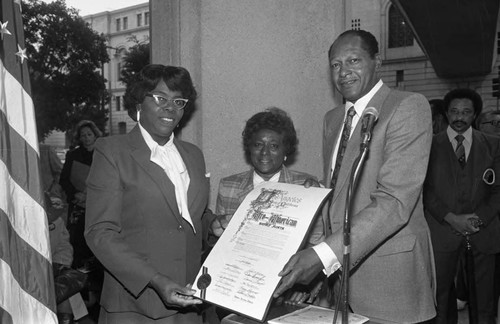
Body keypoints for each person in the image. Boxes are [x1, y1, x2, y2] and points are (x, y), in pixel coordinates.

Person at [273, 29, 436, 323]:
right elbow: (337, 193)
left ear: (377, 62)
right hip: (339, 281)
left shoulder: (407, 106)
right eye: (336, 65)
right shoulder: (333, 119)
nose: (343, 72)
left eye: (353, 61)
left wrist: (321, 256)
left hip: (389, 281)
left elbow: (394, 202)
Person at [84, 64, 215, 323]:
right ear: (139, 103)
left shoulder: (193, 155)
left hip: (189, 302)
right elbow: (100, 233)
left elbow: (188, 215)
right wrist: (155, 279)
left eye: (178, 101)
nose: (170, 107)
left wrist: (214, 224)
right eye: (160, 98)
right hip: (135, 305)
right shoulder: (112, 152)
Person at [423, 88, 500, 324]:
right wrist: (450, 217)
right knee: (440, 301)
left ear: (475, 114)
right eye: (454, 111)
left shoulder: (494, 144)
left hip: (483, 233)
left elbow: (498, 189)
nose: (459, 117)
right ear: (446, 113)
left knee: (485, 302)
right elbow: (424, 189)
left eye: (466, 112)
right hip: (441, 233)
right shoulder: (427, 146)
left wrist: (479, 218)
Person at [212, 107, 320, 234]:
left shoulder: (305, 186)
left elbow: (316, 239)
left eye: (273, 146)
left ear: (285, 150)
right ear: (249, 148)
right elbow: (218, 239)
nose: (264, 152)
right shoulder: (228, 186)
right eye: (258, 145)